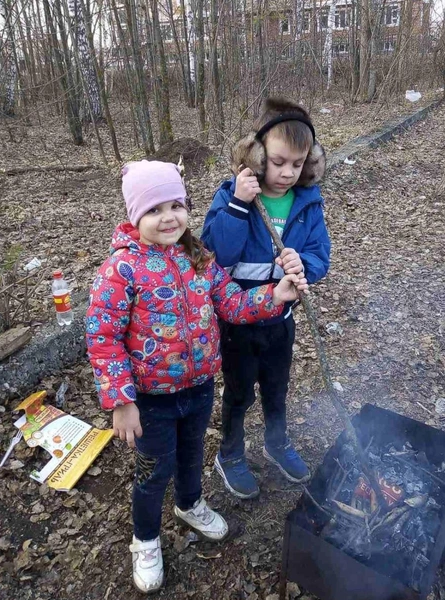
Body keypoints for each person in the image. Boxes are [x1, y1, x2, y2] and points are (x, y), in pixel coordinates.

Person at [85, 159, 308, 594]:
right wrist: (121, 400)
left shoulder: (199, 257)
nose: (168, 217)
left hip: (199, 386)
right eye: (154, 210)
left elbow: (229, 302)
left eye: (176, 205)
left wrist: (273, 296)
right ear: (135, 215)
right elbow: (103, 336)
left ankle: (189, 503)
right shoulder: (121, 269)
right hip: (150, 398)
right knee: (153, 470)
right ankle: (145, 540)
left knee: (191, 457)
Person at [201, 97, 331, 500]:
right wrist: (239, 205)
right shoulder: (231, 196)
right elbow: (216, 254)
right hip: (239, 323)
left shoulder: (308, 203)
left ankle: (277, 443)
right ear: (257, 157)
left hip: (280, 322)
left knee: (276, 387)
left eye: (298, 163)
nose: (288, 173)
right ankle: (231, 454)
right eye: (278, 162)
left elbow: (321, 254)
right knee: (239, 393)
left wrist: (304, 264)